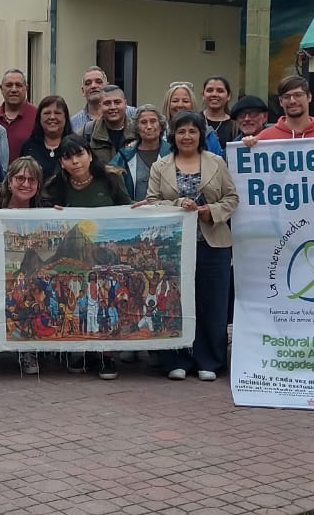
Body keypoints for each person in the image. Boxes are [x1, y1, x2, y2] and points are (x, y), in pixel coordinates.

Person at [144, 110, 239, 381]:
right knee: (173, 303)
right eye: (181, 131)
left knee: (213, 304)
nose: (187, 136)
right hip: (172, 248)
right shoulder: (160, 166)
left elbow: (232, 198)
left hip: (212, 244)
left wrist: (212, 210)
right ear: (173, 135)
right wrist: (176, 205)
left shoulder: (216, 162)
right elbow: (151, 202)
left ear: (201, 135)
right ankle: (175, 359)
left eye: (193, 131)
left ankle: (209, 360)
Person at [44, 135, 131, 381]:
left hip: (104, 254)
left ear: (90, 155)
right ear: (61, 162)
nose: (75, 161)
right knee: (79, 304)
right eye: (68, 157)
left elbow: (128, 209)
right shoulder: (56, 187)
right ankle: (79, 350)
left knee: (104, 303)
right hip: (74, 257)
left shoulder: (111, 179)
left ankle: (107, 356)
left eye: (80, 154)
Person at [0, 157, 49, 375]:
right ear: (9, 180)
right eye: (20, 178)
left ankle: (27, 349)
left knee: (32, 296)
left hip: (28, 265)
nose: (25, 184)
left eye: (32, 180)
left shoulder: (43, 205)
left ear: (38, 184)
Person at [250, 75, 314, 141]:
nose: (292, 101)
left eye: (298, 95)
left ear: (309, 97)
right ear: (281, 101)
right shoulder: (264, 139)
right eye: (286, 96)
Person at [111, 105, 169, 200]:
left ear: (161, 126)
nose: (149, 126)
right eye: (143, 122)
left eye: (153, 121)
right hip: (133, 212)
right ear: (137, 128)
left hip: (166, 211)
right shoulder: (125, 155)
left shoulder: (172, 153)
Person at [20, 94, 74, 181]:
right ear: (39, 118)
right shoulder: (29, 146)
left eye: (57, 113)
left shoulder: (76, 146)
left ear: (65, 117)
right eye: (47, 113)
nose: (52, 117)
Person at [162, 82, 224, 155]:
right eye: (175, 101)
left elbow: (218, 161)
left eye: (185, 101)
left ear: (192, 104)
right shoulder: (159, 134)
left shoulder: (207, 134)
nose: (180, 105)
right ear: (167, 105)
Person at [70, 67, 137, 132]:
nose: (93, 86)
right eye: (88, 83)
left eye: (99, 82)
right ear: (83, 91)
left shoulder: (133, 114)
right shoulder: (73, 123)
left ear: (107, 86)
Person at [0, 68, 37, 162]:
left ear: (26, 88)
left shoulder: (38, 116)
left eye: (18, 85)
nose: (14, 89)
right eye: (9, 85)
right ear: (1, 88)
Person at [81, 84, 134, 166]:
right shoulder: (88, 132)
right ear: (100, 106)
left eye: (117, 102)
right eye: (107, 103)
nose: (112, 107)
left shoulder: (138, 131)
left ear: (125, 104)